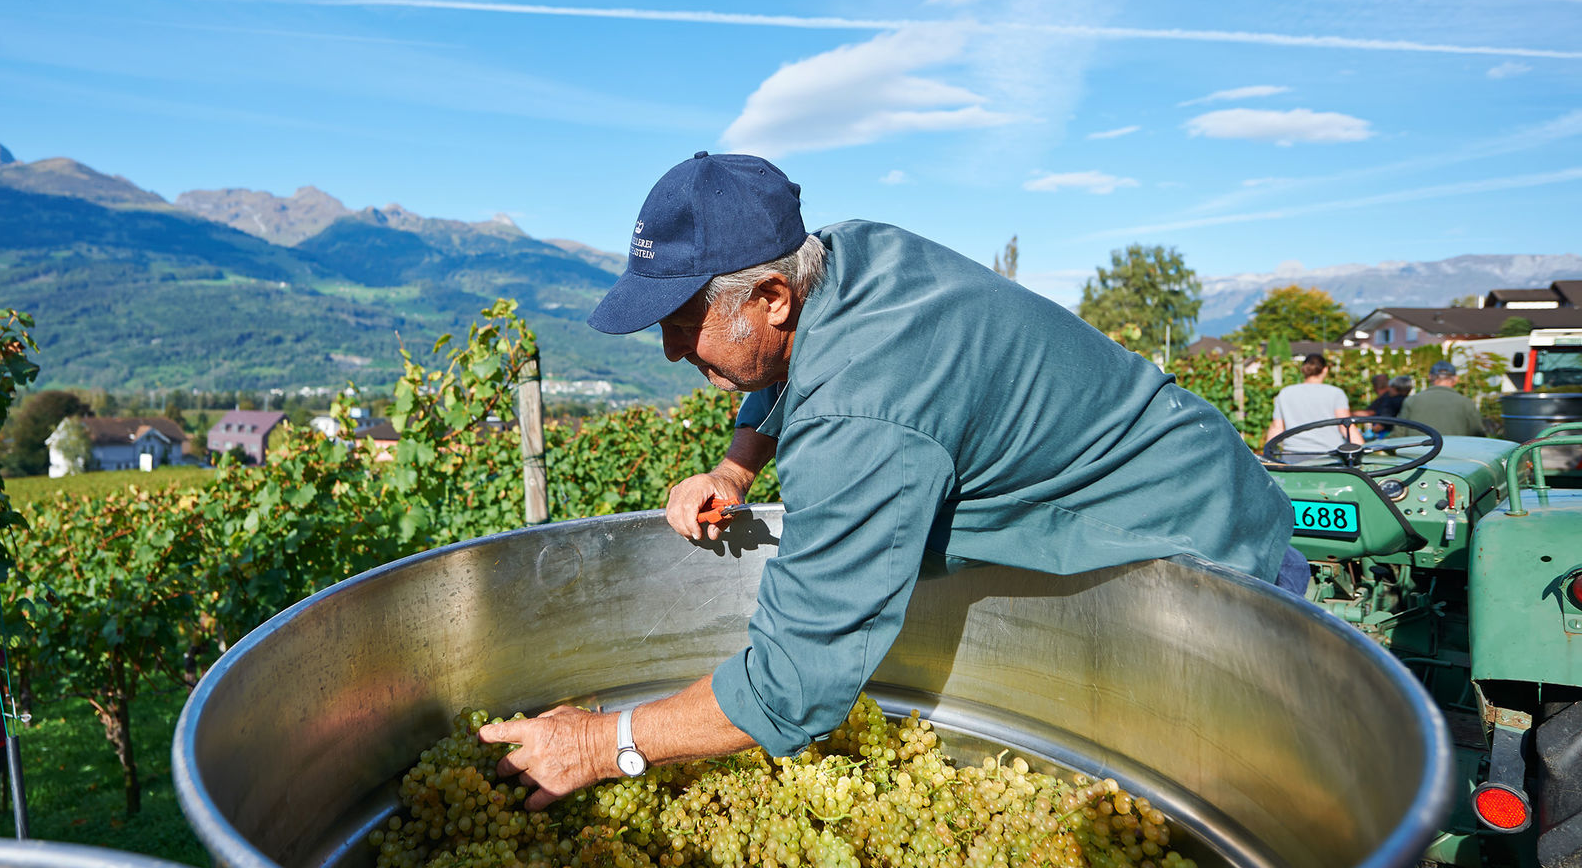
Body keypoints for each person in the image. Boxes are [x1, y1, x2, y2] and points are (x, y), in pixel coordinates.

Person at [478, 152, 1298, 810]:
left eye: (683, 323)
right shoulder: (839, 253)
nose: (669, 352)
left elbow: (795, 685)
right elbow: (791, 363)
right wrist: (736, 464)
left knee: (1245, 796)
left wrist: (600, 743)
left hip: (1201, 544)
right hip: (1188, 472)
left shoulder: (860, 418)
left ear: (769, 296)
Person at [1263, 354, 1357, 454]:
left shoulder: (1285, 393)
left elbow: (1277, 427)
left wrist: (1267, 454)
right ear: (1325, 370)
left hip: (1293, 455)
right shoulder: (1336, 393)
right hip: (1328, 456)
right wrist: (1364, 451)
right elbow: (1345, 426)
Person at [1399, 361, 1485, 437]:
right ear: (1456, 379)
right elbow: (1478, 435)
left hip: (1418, 454)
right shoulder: (1466, 403)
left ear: (1430, 377)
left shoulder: (1412, 400)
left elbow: (1399, 432)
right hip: (1454, 454)